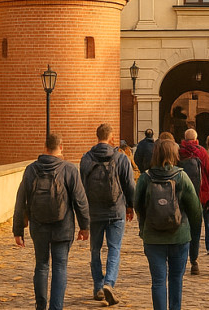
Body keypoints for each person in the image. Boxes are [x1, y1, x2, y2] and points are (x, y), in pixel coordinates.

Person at [13, 134, 90, 310]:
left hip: (38, 226)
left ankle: (41, 306)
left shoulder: (31, 170)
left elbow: (20, 201)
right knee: (60, 267)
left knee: (41, 265)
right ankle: (56, 307)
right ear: (61, 148)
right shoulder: (69, 169)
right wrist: (85, 226)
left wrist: (18, 230)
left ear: (45, 147)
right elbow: (81, 201)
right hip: (63, 226)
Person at [134, 138, 203, 310]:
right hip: (179, 236)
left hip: (153, 237)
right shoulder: (181, 176)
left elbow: (137, 204)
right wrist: (193, 234)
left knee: (158, 281)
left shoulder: (145, 177)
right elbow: (195, 209)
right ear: (174, 155)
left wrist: (144, 226)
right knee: (176, 279)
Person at [80, 123, 137, 306]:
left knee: (95, 250)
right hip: (116, 211)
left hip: (94, 212)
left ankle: (98, 286)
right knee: (114, 248)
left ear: (97, 137)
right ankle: (109, 283)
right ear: (111, 137)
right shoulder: (121, 158)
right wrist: (130, 206)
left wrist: (82, 213)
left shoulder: (86, 159)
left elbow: (81, 187)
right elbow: (129, 186)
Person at [177, 128, 209, 274]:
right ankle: (194, 261)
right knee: (195, 229)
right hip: (198, 196)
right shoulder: (202, 152)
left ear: (184, 138)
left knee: (180, 227)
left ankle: (180, 261)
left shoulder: (179, 152)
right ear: (196, 138)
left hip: (180, 196)